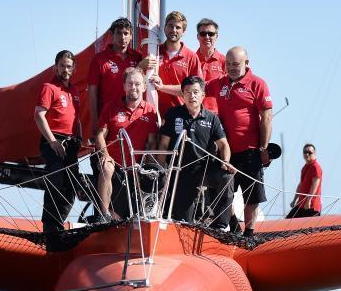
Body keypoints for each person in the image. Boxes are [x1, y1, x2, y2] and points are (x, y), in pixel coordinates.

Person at [206, 46, 273, 237]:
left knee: (252, 194)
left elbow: (267, 117)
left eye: (236, 64)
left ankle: (249, 232)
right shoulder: (220, 83)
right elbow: (194, 88)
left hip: (251, 149)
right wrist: (161, 87)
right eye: (228, 64)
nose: (232, 68)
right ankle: (235, 226)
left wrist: (264, 147)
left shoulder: (257, 84)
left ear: (246, 63)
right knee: (222, 191)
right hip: (227, 151)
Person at [157, 76, 233, 226]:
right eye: (188, 92)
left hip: (205, 168)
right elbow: (163, 145)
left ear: (203, 95)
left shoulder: (212, 118)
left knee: (227, 177)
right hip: (181, 172)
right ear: (183, 95)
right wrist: (161, 169)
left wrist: (225, 162)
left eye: (196, 92)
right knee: (184, 222)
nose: (192, 96)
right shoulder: (173, 114)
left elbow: (224, 145)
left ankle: (220, 226)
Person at [94, 67, 160, 219]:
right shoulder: (111, 107)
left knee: (123, 217)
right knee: (106, 168)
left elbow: (153, 144)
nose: (133, 87)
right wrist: (105, 155)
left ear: (144, 86)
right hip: (115, 165)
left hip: (137, 170)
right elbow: (99, 135)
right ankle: (103, 215)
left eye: (137, 84)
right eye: (130, 83)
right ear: (124, 86)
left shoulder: (150, 111)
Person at [34, 50, 83, 233]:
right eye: (62, 65)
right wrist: (53, 141)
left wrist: (80, 138)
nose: (65, 69)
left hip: (71, 143)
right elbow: (39, 114)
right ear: (56, 67)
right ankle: (50, 225)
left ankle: (58, 223)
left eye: (69, 66)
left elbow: (75, 117)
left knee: (71, 185)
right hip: (53, 140)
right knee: (56, 178)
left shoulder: (75, 90)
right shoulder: (49, 87)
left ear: (74, 68)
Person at [88, 18, 143, 141]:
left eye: (126, 33)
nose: (122, 37)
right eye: (118, 33)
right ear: (111, 35)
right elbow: (92, 92)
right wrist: (95, 121)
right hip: (106, 120)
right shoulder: (99, 59)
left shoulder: (138, 57)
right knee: (102, 157)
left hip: (132, 120)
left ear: (131, 36)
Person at [146, 11, 201, 119]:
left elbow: (195, 90)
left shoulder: (191, 57)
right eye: (170, 26)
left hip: (182, 116)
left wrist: (162, 87)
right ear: (165, 28)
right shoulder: (153, 52)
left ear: (184, 31)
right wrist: (141, 65)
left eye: (178, 27)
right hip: (153, 116)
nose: (173, 30)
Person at [194, 18, 226, 112]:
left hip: (218, 115)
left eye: (211, 34)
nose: (207, 37)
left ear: (216, 36)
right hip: (193, 114)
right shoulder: (190, 59)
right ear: (198, 36)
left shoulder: (225, 62)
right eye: (203, 34)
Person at [286, 144, 322, 218]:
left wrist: (309, 200)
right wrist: (294, 199)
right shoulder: (305, 167)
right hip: (301, 204)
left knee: (308, 228)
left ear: (314, 153)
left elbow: (315, 185)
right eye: (305, 152)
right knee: (288, 221)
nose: (307, 154)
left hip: (311, 206)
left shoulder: (315, 167)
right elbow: (300, 184)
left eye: (309, 152)